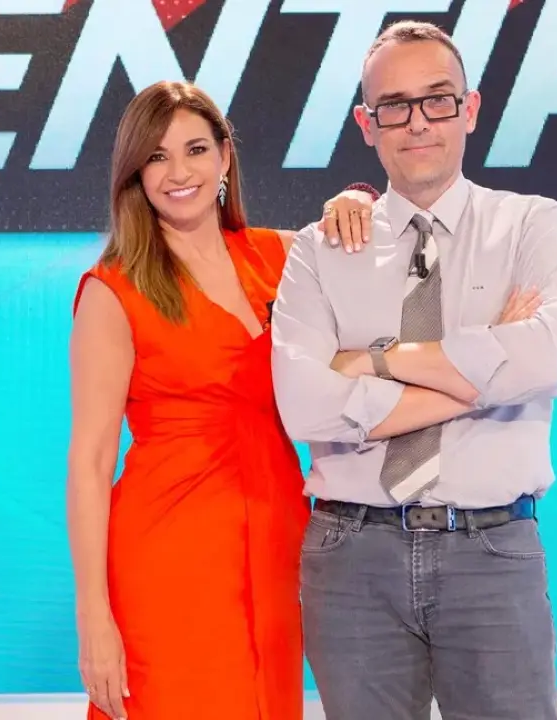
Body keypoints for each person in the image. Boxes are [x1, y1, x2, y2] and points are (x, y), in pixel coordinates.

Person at [270, 20, 557, 720]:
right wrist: (482, 374)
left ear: (469, 109)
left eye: (438, 100)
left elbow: (543, 361)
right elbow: (305, 406)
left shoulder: (533, 225)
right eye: (394, 105)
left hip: (492, 548)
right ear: (367, 123)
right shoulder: (321, 250)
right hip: (352, 557)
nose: (418, 122)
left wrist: (373, 360)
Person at [65, 80, 377, 720]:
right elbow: (90, 463)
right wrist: (93, 617)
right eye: (156, 157)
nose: (179, 173)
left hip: (277, 541)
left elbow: (377, 251)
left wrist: (357, 198)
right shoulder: (112, 290)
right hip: (168, 553)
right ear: (135, 175)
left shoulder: (280, 256)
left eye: (196, 149)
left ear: (225, 157)